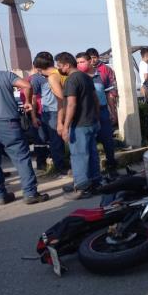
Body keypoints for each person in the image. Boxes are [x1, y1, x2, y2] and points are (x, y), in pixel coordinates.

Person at [0, 69, 49, 204]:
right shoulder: (5, 75)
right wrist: (27, 102)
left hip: (6, 122)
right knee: (21, 158)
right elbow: (27, 85)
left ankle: (0, 195)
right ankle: (30, 193)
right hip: (7, 122)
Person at [56, 52, 101, 199]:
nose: (58, 68)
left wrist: (65, 125)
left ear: (67, 65)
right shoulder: (86, 77)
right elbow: (95, 99)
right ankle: (94, 182)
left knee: (79, 156)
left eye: (60, 65)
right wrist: (97, 117)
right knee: (92, 153)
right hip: (91, 122)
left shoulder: (71, 80)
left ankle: (82, 187)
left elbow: (71, 104)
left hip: (80, 124)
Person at [77, 52, 117, 177]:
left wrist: (113, 112)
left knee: (108, 141)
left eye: (82, 62)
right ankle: (94, 173)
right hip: (87, 114)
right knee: (90, 144)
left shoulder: (102, 75)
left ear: (90, 61)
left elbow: (108, 95)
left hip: (103, 111)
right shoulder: (78, 77)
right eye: (77, 62)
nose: (79, 65)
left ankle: (112, 167)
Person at [32, 51, 67, 175]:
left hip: (55, 112)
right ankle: (60, 165)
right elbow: (34, 97)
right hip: (47, 112)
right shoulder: (39, 78)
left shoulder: (55, 75)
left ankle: (61, 167)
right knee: (53, 141)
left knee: (56, 141)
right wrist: (34, 115)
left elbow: (61, 98)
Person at [87, 47, 118, 127]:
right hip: (88, 108)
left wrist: (113, 112)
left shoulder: (106, 69)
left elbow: (111, 91)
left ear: (98, 57)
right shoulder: (83, 70)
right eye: (90, 58)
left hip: (103, 106)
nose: (92, 60)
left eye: (94, 57)